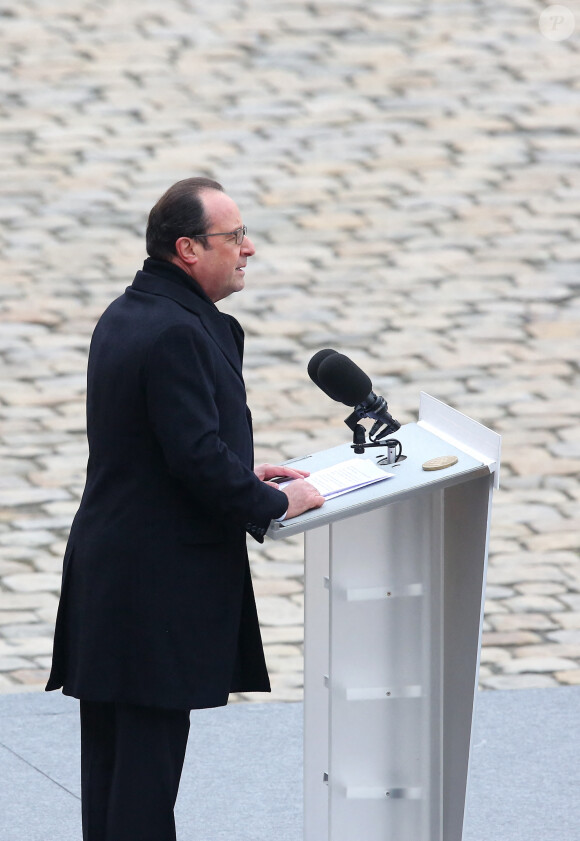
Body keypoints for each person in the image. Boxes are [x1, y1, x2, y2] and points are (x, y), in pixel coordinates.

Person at [45, 176, 325, 841]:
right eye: (235, 237)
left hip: (115, 574)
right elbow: (194, 459)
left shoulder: (129, 311)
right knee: (143, 784)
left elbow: (156, 440)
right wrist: (274, 500)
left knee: (113, 774)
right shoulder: (178, 331)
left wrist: (239, 463)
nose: (249, 249)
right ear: (188, 249)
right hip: (153, 588)